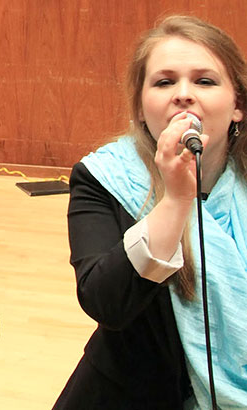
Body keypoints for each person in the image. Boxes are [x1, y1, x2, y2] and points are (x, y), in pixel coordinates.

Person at [54, 15, 247, 409]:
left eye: (204, 81)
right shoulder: (101, 176)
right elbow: (106, 304)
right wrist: (175, 203)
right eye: (164, 82)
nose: (183, 94)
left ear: (238, 106)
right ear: (141, 108)